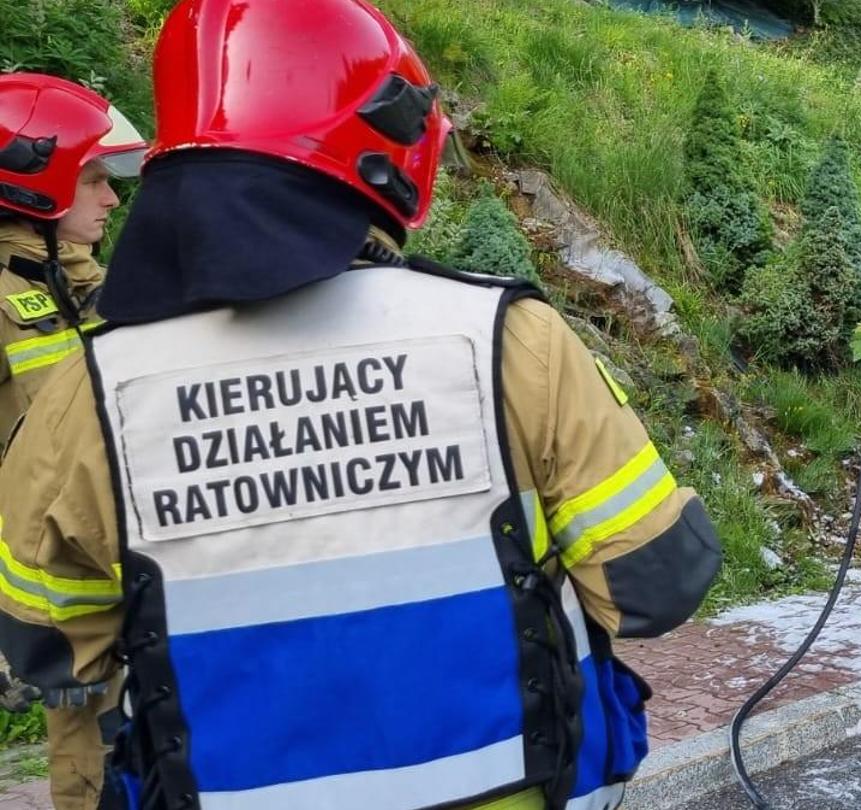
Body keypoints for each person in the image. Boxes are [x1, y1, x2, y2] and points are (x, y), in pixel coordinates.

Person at [0, 2, 721, 808]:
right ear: (388, 149)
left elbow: (48, 643)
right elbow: (655, 582)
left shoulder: (89, 392)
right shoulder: (506, 339)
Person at [0, 71, 145, 809]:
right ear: (38, 183)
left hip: (120, 557)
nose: (111, 198)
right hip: (51, 581)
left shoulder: (75, 282)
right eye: (94, 181)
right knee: (83, 745)